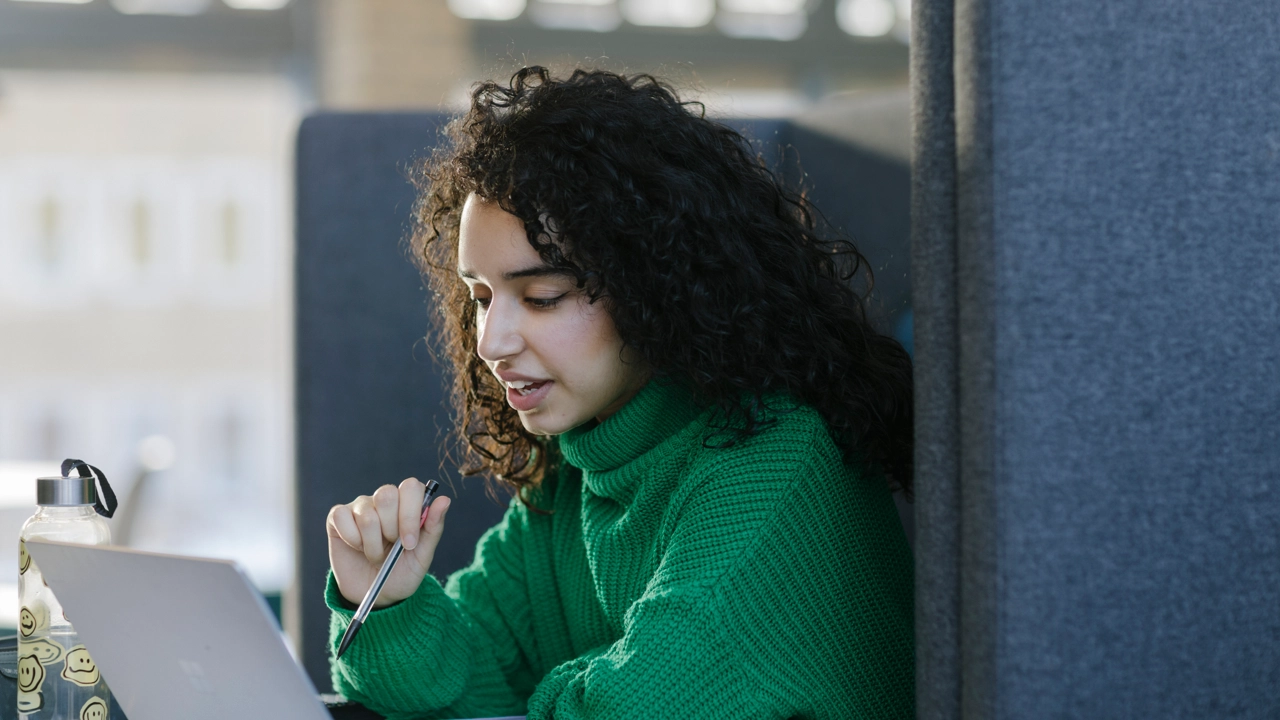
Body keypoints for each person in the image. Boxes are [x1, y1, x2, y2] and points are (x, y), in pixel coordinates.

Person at [324, 66, 915, 720]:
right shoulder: (575, 477)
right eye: (481, 298)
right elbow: (465, 684)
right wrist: (385, 604)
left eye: (542, 297)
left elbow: (621, 711)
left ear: (657, 289)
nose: (490, 342)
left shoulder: (777, 467)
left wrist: (555, 689)